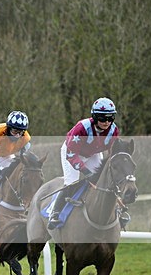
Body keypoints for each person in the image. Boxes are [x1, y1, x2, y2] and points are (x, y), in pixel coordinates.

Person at [48, 97, 121, 229]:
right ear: (94, 116)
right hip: (72, 152)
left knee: (101, 181)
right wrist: (85, 171)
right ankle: (55, 212)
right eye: (103, 118)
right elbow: (71, 155)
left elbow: (112, 153)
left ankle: (115, 211)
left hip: (92, 153)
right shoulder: (81, 128)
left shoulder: (114, 131)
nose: (107, 122)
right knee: (72, 182)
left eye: (110, 118)